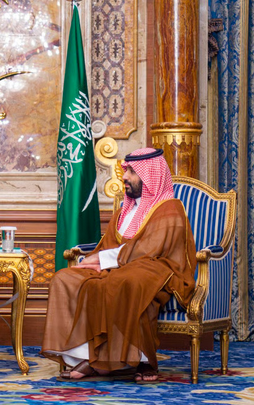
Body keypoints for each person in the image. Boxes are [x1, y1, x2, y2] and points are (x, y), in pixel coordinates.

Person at [42, 147, 196, 382]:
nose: (124, 176)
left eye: (132, 171)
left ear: (149, 176)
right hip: (117, 268)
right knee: (64, 278)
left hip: (155, 268)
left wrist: (101, 260)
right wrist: (101, 262)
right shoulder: (125, 209)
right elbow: (110, 244)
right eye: (126, 170)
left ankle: (140, 361)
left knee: (127, 281)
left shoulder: (169, 208)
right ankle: (89, 358)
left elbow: (149, 249)